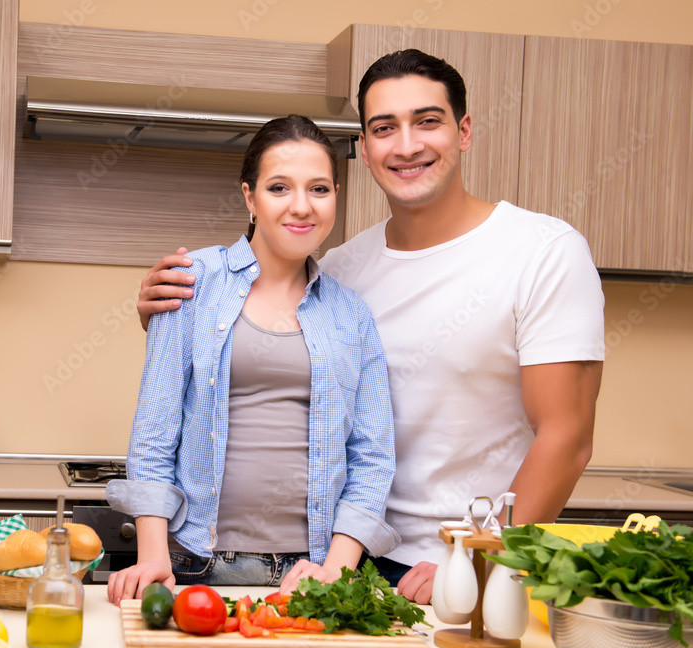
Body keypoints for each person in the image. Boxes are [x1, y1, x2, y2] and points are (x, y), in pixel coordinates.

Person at [135, 50, 605, 604]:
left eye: (427, 121)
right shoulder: (337, 271)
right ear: (364, 147)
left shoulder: (543, 252)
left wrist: (478, 555)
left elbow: (567, 438)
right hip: (343, 561)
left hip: (459, 565)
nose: (406, 145)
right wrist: (163, 320)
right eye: (385, 128)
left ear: (465, 130)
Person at [105, 115, 400, 605]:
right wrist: (153, 556)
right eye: (279, 187)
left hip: (310, 573)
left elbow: (372, 458)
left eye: (319, 189)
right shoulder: (191, 281)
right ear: (249, 197)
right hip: (195, 564)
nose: (301, 206)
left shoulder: (352, 314)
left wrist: (335, 570)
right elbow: (155, 434)